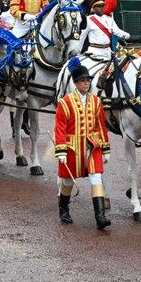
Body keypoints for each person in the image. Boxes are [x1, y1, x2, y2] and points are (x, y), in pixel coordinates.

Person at [55, 63, 111, 229]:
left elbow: (101, 125)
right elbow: (60, 128)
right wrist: (61, 150)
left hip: (93, 146)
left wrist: (105, 148)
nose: (86, 83)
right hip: (72, 148)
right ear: (75, 83)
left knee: (96, 177)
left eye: (88, 80)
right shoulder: (65, 102)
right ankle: (63, 209)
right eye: (82, 80)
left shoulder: (96, 101)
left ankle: (100, 217)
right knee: (67, 182)